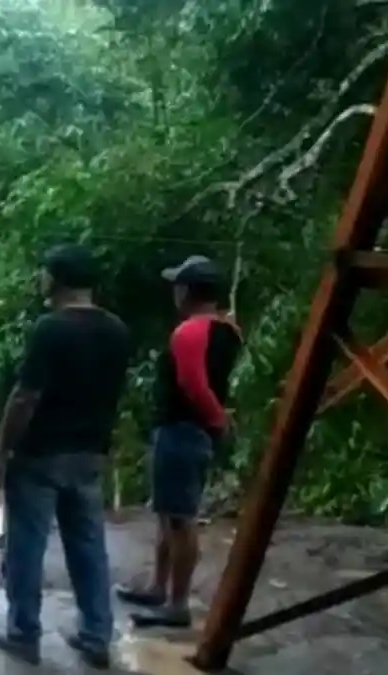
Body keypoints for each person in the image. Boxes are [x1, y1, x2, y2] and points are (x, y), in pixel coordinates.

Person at [0, 244, 132, 669]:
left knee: (26, 548)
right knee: (89, 547)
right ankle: (96, 635)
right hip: (90, 453)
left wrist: (2, 451)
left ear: (56, 279)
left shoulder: (50, 329)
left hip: (41, 455)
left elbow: (25, 396)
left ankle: (24, 635)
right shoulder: (117, 330)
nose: (40, 280)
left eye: (44, 273)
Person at [116, 255, 242, 628]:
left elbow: (192, 382)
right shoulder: (228, 330)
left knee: (180, 519)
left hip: (181, 430)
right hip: (194, 431)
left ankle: (177, 603)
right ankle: (159, 587)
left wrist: (216, 419)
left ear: (187, 291)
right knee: (168, 514)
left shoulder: (188, 332)